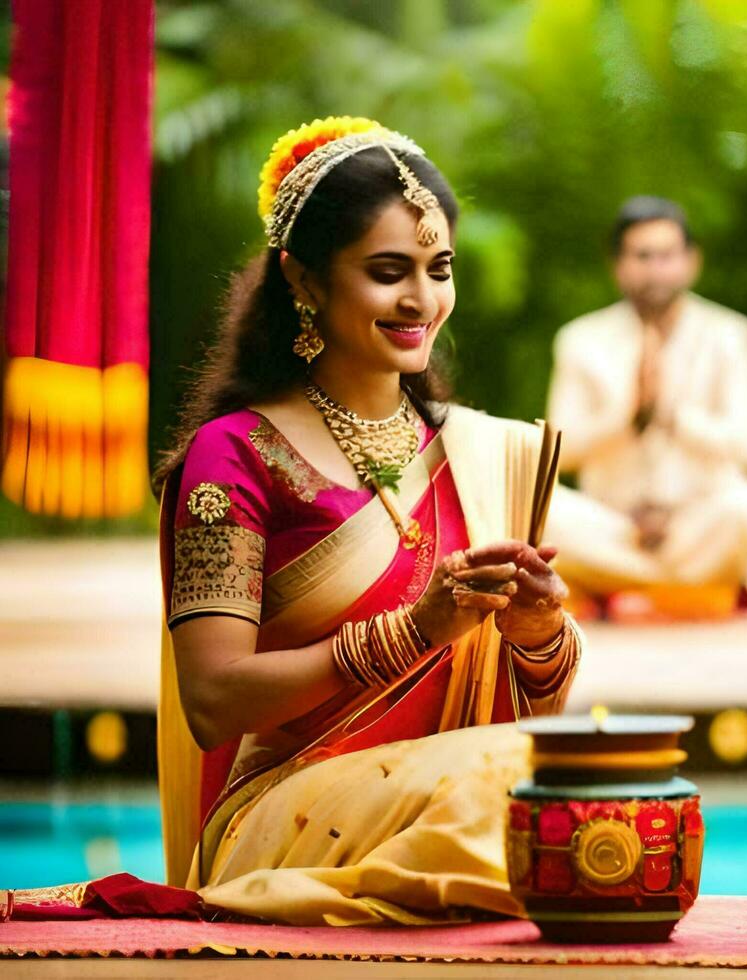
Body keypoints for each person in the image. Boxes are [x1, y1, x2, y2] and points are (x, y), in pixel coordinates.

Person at [140, 117, 581, 925]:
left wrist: (537, 629)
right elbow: (212, 699)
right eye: (388, 272)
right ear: (303, 280)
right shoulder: (234, 457)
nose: (422, 299)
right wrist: (413, 631)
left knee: (573, 779)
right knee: (521, 795)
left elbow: (532, 701)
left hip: (456, 784)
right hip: (285, 815)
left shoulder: (481, 453)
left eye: (438, 269)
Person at [544, 196, 747, 619]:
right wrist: (629, 416)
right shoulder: (581, 339)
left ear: (691, 261)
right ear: (618, 265)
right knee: (541, 511)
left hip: (696, 522)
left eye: (667, 256)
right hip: (613, 526)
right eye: (642, 256)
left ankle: (615, 585)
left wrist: (673, 416)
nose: (656, 269)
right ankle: (687, 589)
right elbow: (558, 452)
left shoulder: (730, 335)